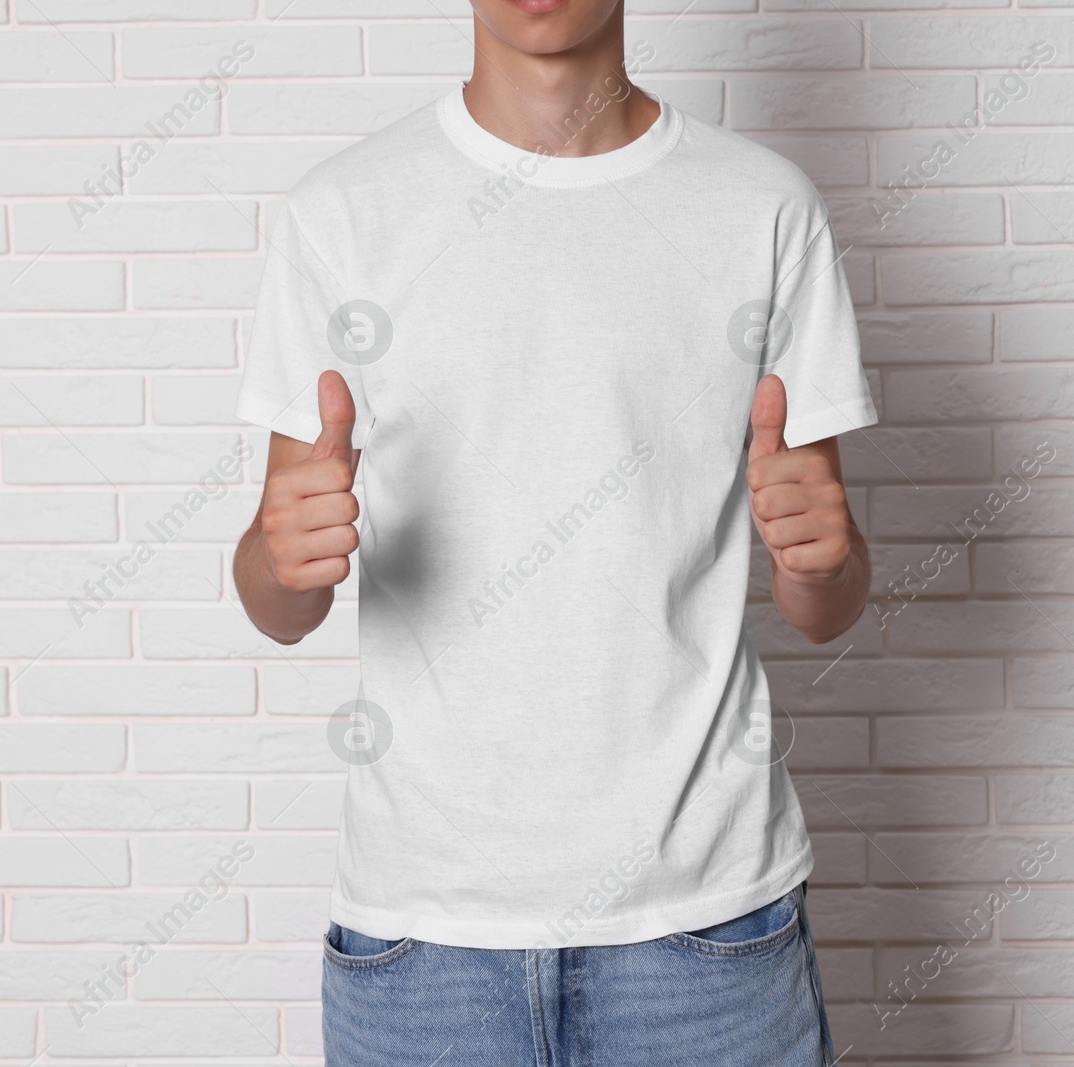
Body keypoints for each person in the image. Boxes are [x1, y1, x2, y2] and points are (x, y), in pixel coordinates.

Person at [232, 1, 876, 1062]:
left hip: (705, 933)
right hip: (421, 944)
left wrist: (826, 558)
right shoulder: (341, 213)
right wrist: (279, 555)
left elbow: (827, 599)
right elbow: (276, 600)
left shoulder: (761, 207)